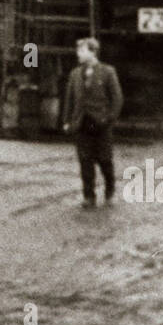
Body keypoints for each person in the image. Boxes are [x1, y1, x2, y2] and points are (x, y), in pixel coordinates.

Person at [62, 37, 123, 208]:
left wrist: (109, 119)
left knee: (105, 160)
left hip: (101, 124)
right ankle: (89, 197)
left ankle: (110, 192)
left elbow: (117, 98)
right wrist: (67, 120)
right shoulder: (75, 74)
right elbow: (69, 99)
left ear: (92, 52)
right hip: (82, 123)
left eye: (81, 51)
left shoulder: (107, 72)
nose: (78, 54)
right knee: (85, 161)